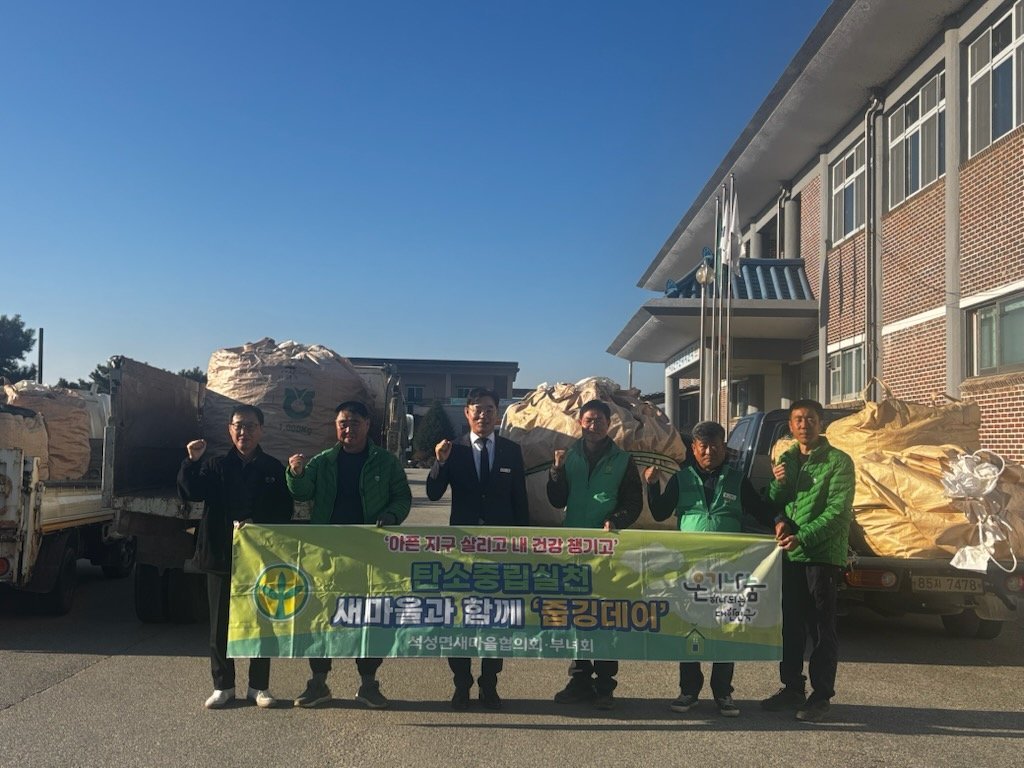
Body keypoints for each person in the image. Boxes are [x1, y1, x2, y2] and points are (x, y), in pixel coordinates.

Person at [286, 400, 412, 710]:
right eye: (343, 423)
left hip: (370, 553)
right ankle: (318, 682)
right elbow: (302, 492)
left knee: (371, 617)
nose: (348, 428)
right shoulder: (324, 461)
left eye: (355, 422)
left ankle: (368, 683)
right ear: (336, 426)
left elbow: (402, 497)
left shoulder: (385, 462)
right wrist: (296, 474)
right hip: (328, 553)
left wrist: (392, 516)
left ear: (367, 425)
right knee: (321, 616)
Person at [643, 420, 774, 718]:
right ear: (694, 448)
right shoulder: (681, 479)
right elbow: (661, 512)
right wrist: (651, 485)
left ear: (724, 448)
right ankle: (689, 690)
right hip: (691, 571)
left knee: (725, 628)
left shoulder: (737, 480)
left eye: (715, 446)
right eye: (703, 446)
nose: (709, 452)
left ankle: (723, 692)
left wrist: (779, 522)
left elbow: (760, 510)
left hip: (729, 570)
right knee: (690, 628)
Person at [178, 404, 295, 710]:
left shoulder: (272, 468)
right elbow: (191, 492)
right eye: (239, 426)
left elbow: (284, 510)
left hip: (260, 558)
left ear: (261, 430)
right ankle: (223, 685)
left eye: (251, 426)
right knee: (219, 625)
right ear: (230, 430)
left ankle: (259, 686)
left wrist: (256, 523)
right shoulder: (215, 465)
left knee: (262, 622)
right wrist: (191, 462)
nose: (244, 432)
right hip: (220, 554)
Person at [426, 387, 529, 711]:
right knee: (460, 617)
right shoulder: (452, 450)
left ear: (498, 414)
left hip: (501, 549)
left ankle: (489, 683)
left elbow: (520, 501)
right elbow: (432, 493)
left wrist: (523, 546)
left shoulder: (511, 451)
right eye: (477, 409)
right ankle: (461, 683)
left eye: (489, 409)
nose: (483, 415)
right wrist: (440, 463)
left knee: (497, 618)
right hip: (463, 549)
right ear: (467, 413)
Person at [760, 399, 854, 723]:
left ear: (821, 423)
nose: (804, 425)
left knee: (821, 628)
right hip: (791, 554)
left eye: (810, 419)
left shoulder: (838, 462)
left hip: (821, 556)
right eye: (798, 419)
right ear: (790, 426)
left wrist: (804, 536)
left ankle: (821, 695)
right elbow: (776, 503)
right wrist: (778, 486)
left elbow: (838, 512)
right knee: (791, 625)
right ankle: (792, 688)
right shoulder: (787, 458)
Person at [546, 399, 641, 710]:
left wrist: (616, 520)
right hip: (574, 549)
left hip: (606, 551)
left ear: (608, 424)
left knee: (605, 616)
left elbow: (633, 503)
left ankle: (605, 684)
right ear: (580, 422)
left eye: (599, 420)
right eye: (588, 419)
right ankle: (579, 680)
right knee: (577, 616)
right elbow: (556, 499)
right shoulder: (568, 455)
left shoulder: (623, 460)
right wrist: (556, 471)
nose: (593, 425)